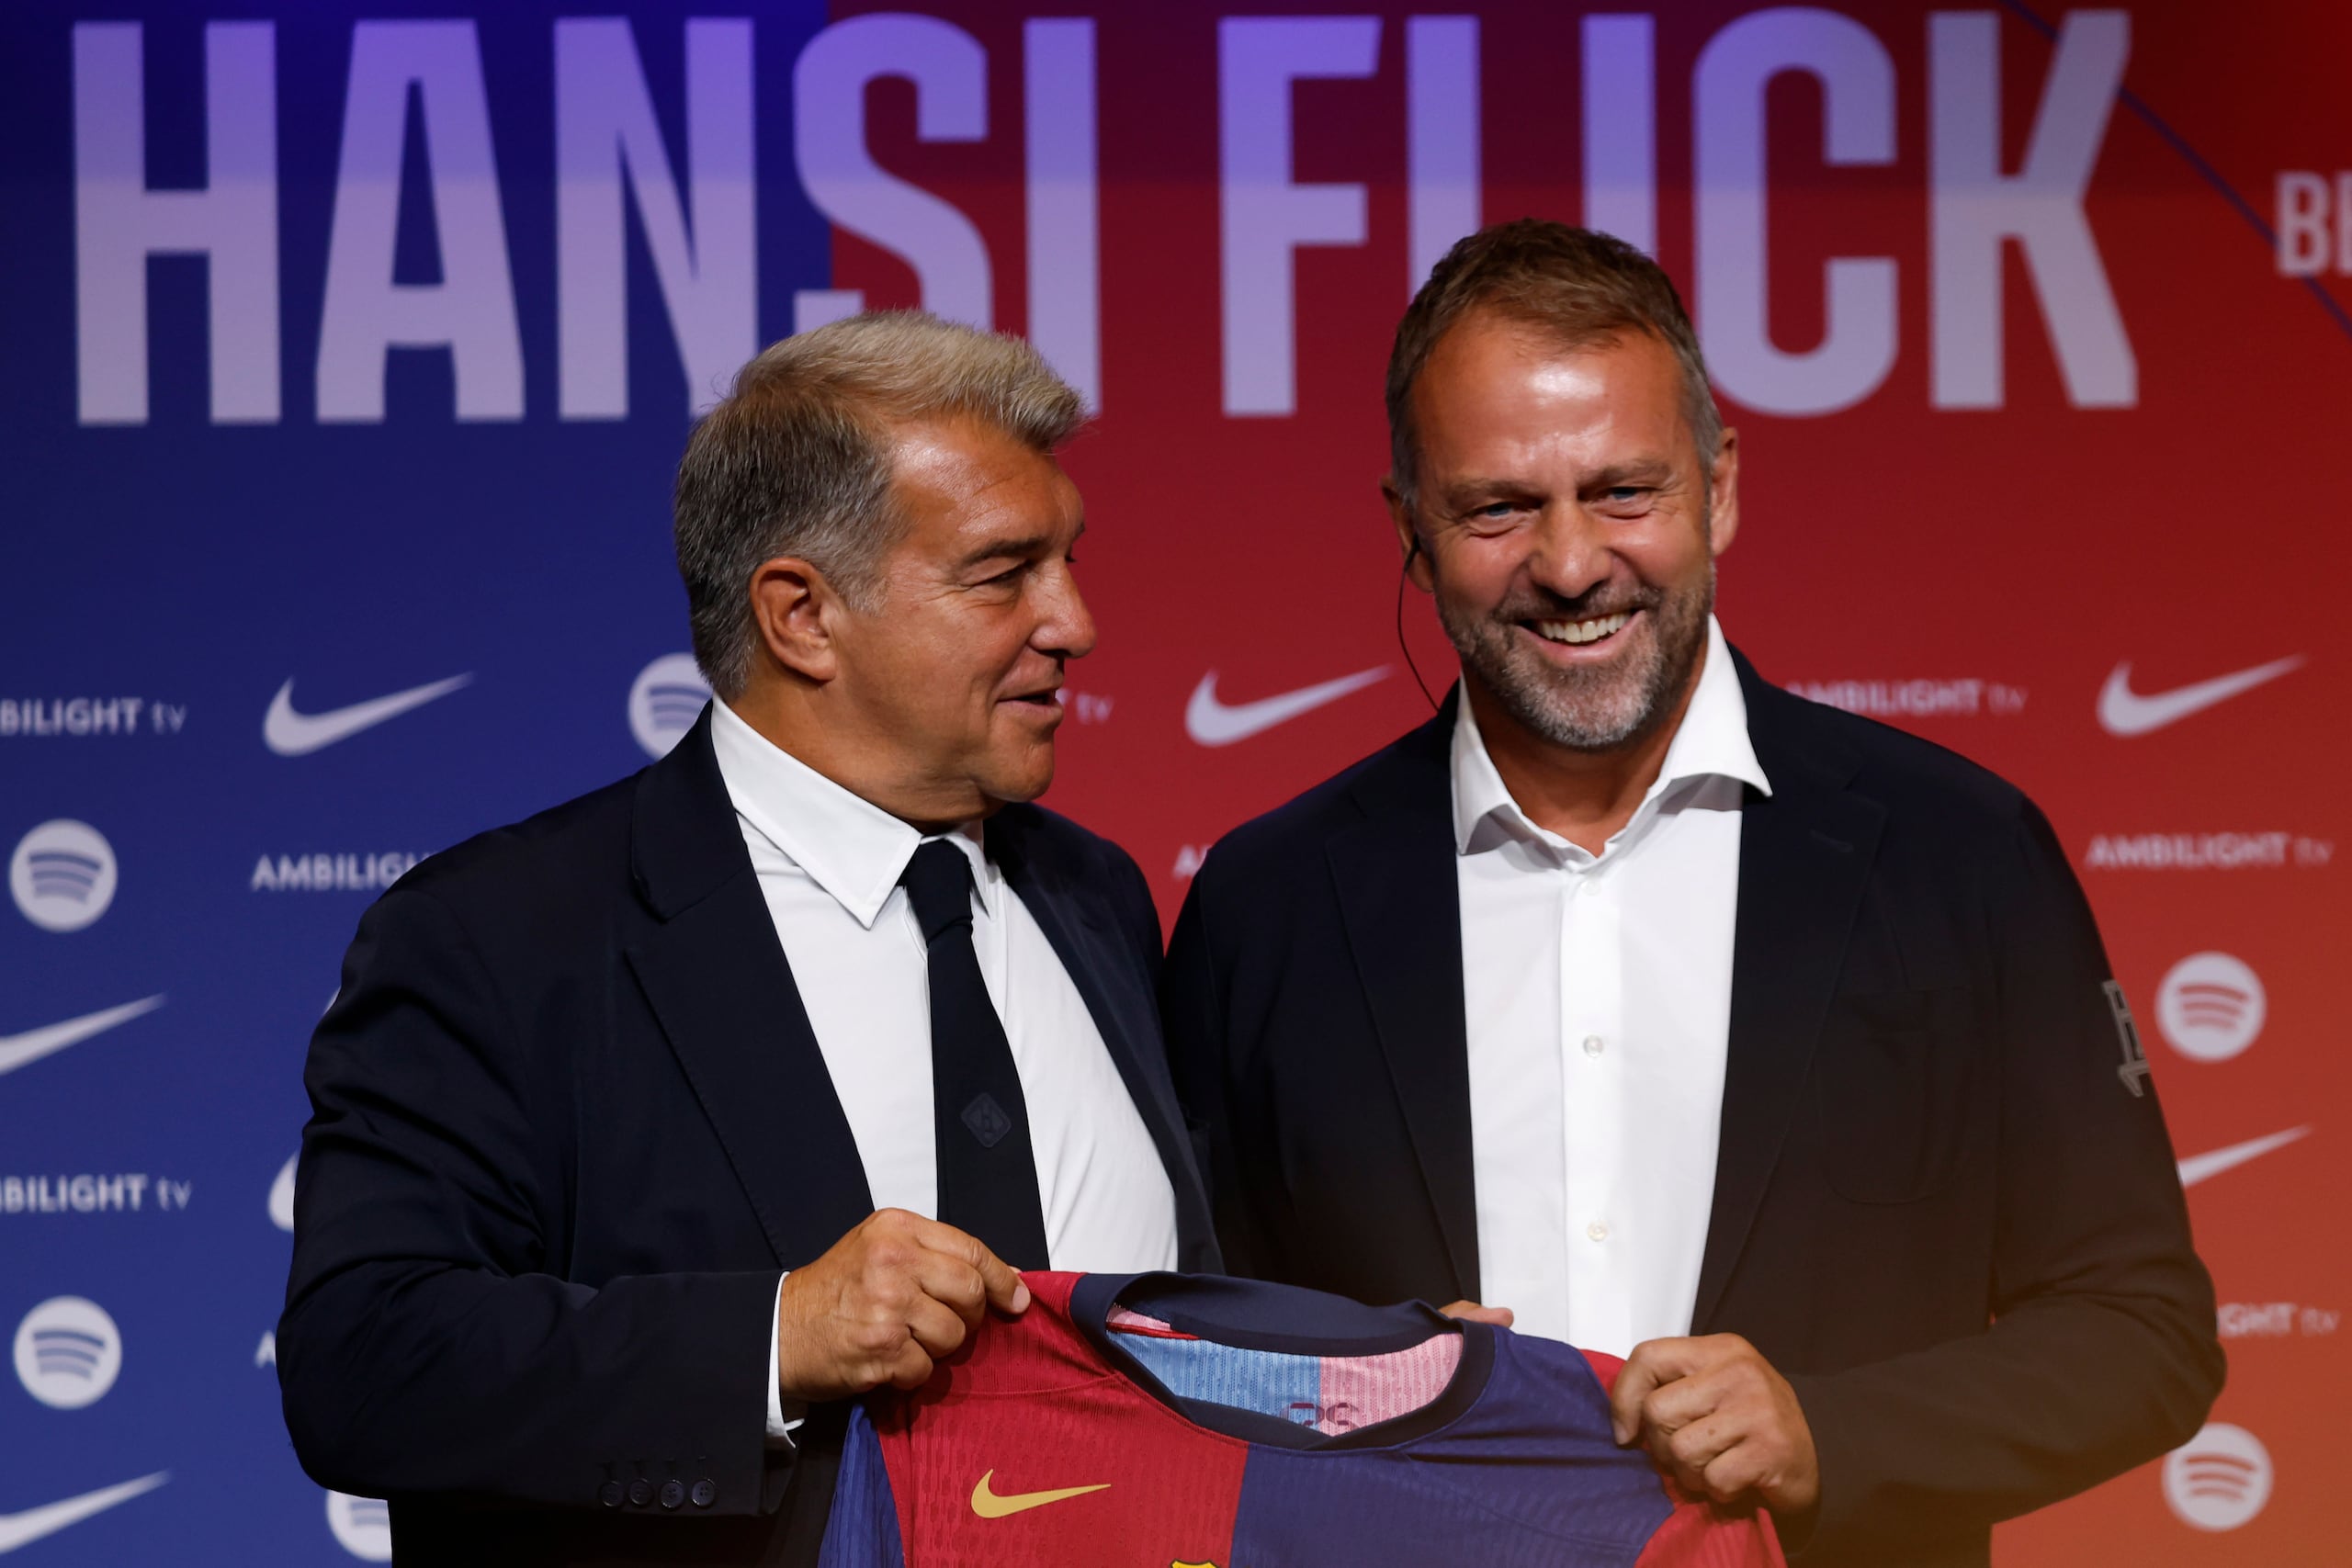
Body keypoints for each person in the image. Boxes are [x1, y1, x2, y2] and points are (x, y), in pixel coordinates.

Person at [1160, 220, 2222, 1568]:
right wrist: (1362, 1391)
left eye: (1623, 492)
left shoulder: (1961, 853)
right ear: (1412, 533)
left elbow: (2144, 1334)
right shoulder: (1272, 902)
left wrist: (1827, 1433)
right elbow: (1179, 1353)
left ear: (1718, 490)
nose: (1568, 564)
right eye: (1496, 506)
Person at [278, 312, 1217, 1567]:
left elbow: (1168, 1332)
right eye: (1005, 573)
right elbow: (367, 1364)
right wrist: (778, 1337)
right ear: (802, 616)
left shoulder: (1097, 896)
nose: (1076, 622)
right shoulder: (501, 939)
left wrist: (1374, 1387)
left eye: (1068, 561)